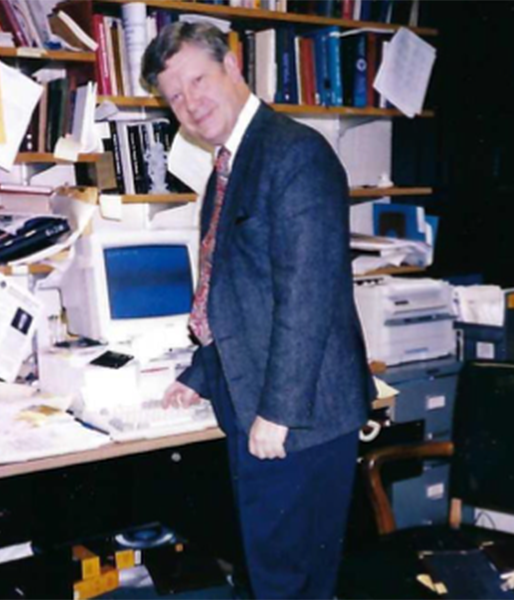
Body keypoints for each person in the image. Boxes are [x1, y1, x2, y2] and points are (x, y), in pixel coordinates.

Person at [141, 22, 374, 600]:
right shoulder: (232, 161)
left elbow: (308, 292)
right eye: (175, 95)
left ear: (233, 67)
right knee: (274, 574)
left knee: (284, 582)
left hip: (298, 416)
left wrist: (278, 413)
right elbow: (237, 287)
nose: (190, 103)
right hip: (263, 402)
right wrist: (201, 375)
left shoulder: (293, 153)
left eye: (198, 79)